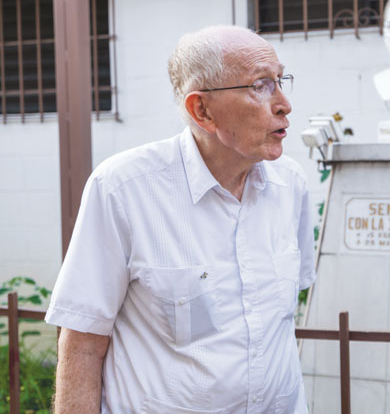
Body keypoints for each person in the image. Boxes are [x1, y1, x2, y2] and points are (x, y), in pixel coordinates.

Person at [45, 25, 315, 413]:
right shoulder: (123, 189)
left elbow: (279, 325)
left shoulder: (290, 184)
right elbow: (83, 342)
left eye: (280, 80)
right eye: (260, 85)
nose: (284, 103)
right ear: (201, 110)